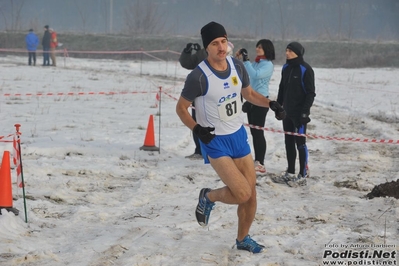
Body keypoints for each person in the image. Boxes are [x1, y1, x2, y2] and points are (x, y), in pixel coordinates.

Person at [175, 21, 286, 253]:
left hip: (238, 136)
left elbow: (249, 94)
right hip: (215, 142)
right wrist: (197, 130)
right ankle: (209, 197)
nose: (221, 47)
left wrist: (271, 103)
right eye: (215, 44)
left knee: (251, 196)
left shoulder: (237, 65)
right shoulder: (198, 76)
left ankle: (243, 238)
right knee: (242, 192)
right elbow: (181, 109)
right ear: (207, 48)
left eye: (223, 41)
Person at [179, 41, 234, 159]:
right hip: (200, 97)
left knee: (221, 125)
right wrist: (187, 52)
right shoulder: (202, 53)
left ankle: (220, 151)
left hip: (220, 98)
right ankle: (199, 150)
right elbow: (187, 63)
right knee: (197, 123)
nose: (220, 48)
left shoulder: (230, 59)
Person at [272, 41, 316, 187]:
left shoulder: (305, 69)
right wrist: (278, 106)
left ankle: (302, 174)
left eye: (290, 51)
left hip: (299, 114)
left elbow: (310, 93)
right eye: (286, 50)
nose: (287, 53)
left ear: (298, 53)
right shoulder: (285, 67)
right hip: (287, 113)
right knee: (288, 142)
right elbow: (282, 87)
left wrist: (305, 113)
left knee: (300, 143)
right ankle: (290, 171)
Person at [236, 39, 275, 174]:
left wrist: (246, 60)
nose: (257, 49)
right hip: (251, 99)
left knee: (258, 132)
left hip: (261, 100)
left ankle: (261, 162)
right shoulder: (257, 62)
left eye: (260, 47)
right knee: (253, 132)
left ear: (267, 49)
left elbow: (255, 75)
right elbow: (247, 74)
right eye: (257, 47)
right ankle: (257, 160)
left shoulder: (268, 65)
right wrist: (240, 60)